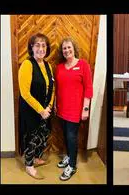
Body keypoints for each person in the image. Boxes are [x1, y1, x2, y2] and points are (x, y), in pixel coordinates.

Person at [55, 38, 93, 181]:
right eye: (64, 48)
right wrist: (54, 105)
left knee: (72, 137)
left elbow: (88, 88)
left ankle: (72, 165)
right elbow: (57, 88)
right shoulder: (59, 67)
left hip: (76, 110)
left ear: (74, 48)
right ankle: (69, 156)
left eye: (69, 47)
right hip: (61, 109)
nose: (67, 50)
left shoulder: (83, 65)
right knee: (65, 135)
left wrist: (85, 108)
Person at [18, 33, 55, 179]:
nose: (41, 48)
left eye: (44, 45)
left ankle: (35, 158)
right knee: (31, 137)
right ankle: (29, 165)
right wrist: (40, 110)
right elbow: (25, 93)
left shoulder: (48, 65)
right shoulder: (27, 65)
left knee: (43, 134)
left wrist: (49, 106)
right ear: (31, 47)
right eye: (37, 45)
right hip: (31, 111)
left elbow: (52, 87)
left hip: (46, 110)